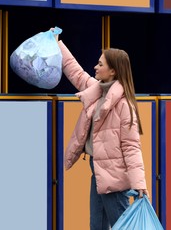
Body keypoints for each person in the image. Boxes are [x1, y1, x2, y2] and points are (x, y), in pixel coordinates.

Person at [53, 29, 149, 230]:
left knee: (122, 226)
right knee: (97, 226)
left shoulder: (124, 106)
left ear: (112, 71)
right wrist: (57, 44)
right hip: (97, 172)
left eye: (100, 64)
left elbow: (132, 148)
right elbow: (76, 72)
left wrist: (139, 184)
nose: (95, 67)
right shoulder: (97, 91)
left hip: (114, 180)